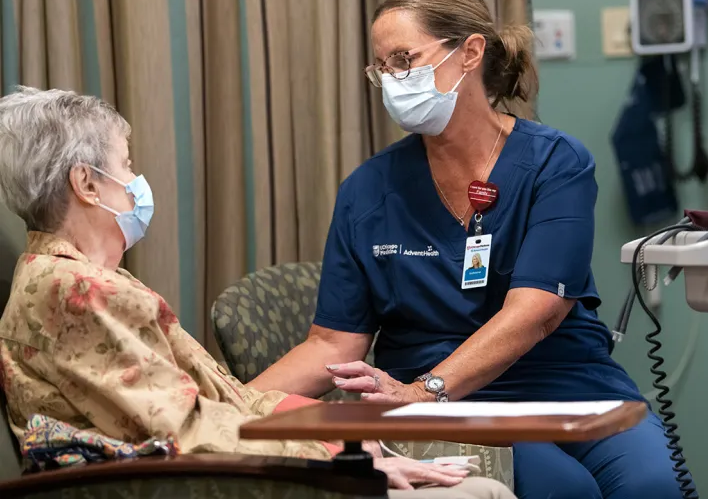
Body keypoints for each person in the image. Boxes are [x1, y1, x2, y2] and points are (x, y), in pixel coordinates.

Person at [249, 0, 696, 499]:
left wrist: (424, 392)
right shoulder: (368, 191)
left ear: (470, 53)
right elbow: (332, 342)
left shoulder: (555, 164)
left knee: (653, 485)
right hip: (442, 408)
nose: (393, 79)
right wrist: (227, 404)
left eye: (404, 59)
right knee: (561, 489)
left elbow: (537, 311)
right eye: (382, 68)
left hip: (565, 385)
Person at [0, 87, 513, 499]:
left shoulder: (78, 279)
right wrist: (342, 458)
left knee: (477, 484)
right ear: (87, 184)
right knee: (480, 491)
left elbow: (219, 401)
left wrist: (332, 424)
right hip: (191, 483)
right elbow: (185, 429)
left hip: (211, 471)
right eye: (127, 165)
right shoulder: (76, 290)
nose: (136, 181)